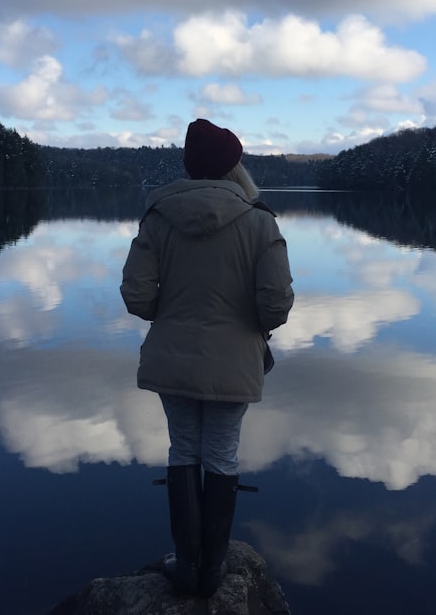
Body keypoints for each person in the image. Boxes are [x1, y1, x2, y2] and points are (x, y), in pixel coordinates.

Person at [120, 118, 295, 598]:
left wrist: (169, 315)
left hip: (171, 358)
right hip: (233, 361)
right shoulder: (261, 221)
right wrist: (251, 325)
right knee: (220, 453)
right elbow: (275, 304)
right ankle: (212, 571)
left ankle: (186, 564)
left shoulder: (157, 217)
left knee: (183, 450)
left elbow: (136, 295)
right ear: (233, 166)